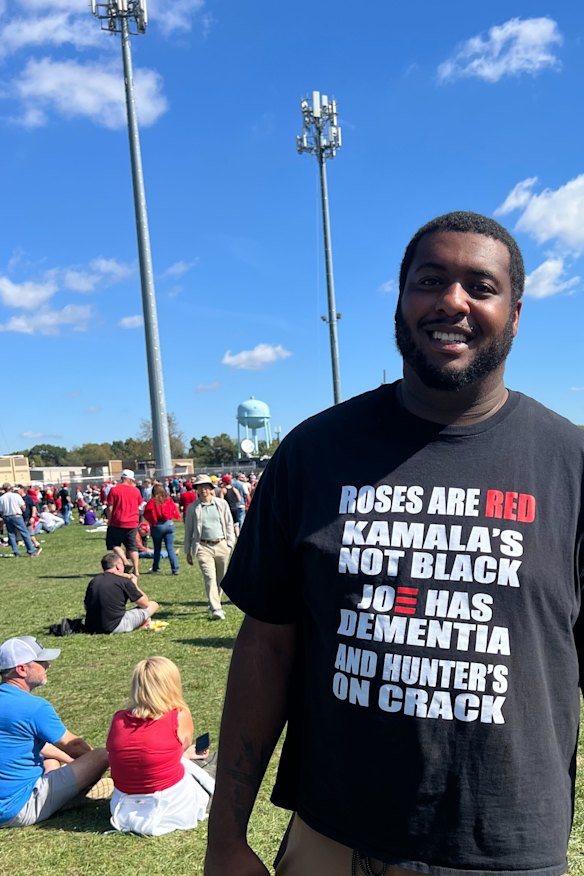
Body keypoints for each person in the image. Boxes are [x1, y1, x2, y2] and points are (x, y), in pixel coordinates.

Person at [204, 211, 584, 876]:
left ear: (516, 314)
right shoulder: (314, 452)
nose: (452, 302)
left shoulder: (570, 463)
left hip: (505, 851)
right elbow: (266, 643)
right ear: (401, 301)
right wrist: (225, 836)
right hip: (335, 840)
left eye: (480, 286)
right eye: (430, 280)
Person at [0, 636, 109, 828]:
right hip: (15, 808)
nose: (48, 665)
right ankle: (75, 798)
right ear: (22, 669)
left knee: (50, 761)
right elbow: (73, 745)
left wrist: (71, 763)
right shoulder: (34, 707)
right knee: (101, 755)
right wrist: (103, 765)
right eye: (41, 662)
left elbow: (38, 746)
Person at [106, 656, 214, 835]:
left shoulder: (118, 719)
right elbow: (178, 748)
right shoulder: (179, 715)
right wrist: (183, 754)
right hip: (170, 804)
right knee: (212, 763)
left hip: (123, 806)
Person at [184, 474, 235, 620]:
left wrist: (230, 543)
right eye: (200, 487)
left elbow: (229, 523)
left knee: (221, 578)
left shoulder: (221, 504)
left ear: (211, 488)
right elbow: (188, 530)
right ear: (197, 490)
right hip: (203, 547)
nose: (203, 489)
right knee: (209, 577)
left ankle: (215, 601)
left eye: (206, 486)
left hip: (221, 545)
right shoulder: (193, 508)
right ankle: (216, 608)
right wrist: (188, 551)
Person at [84, 553, 159, 634]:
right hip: (114, 626)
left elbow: (86, 605)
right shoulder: (123, 581)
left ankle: (143, 623)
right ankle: (142, 625)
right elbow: (145, 604)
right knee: (153, 605)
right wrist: (135, 585)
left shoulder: (94, 581)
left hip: (91, 626)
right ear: (118, 566)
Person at [105, 469, 142, 576]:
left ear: (122, 478)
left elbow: (110, 507)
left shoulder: (114, 490)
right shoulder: (136, 491)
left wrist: (109, 520)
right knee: (132, 546)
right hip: (132, 522)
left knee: (114, 544)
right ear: (130, 479)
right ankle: (136, 570)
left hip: (118, 521)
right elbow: (139, 505)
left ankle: (125, 561)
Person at [143, 483, 181, 575]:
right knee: (170, 548)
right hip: (169, 524)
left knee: (157, 548)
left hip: (158, 525)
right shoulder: (168, 500)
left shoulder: (153, 501)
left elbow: (147, 513)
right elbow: (174, 510)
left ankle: (156, 568)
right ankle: (175, 569)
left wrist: (152, 522)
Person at [0, 484, 42, 557]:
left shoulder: (2, 498)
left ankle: (15, 551)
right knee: (24, 532)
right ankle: (31, 550)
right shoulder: (16, 496)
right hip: (16, 515)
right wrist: (22, 510)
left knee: (11, 534)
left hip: (7, 516)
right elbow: (23, 506)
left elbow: (1, 510)